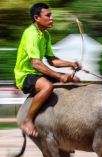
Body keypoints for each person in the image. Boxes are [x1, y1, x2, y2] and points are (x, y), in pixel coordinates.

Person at [14, 3, 80, 137]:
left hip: (38, 73)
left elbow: (52, 60)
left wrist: (71, 64)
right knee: (47, 87)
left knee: (75, 79)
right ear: (37, 18)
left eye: (51, 15)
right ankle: (28, 120)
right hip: (25, 75)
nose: (52, 18)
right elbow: (36, 64)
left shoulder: (46, 35)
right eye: (48, 15)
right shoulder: (30, 34)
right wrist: (59, 76)